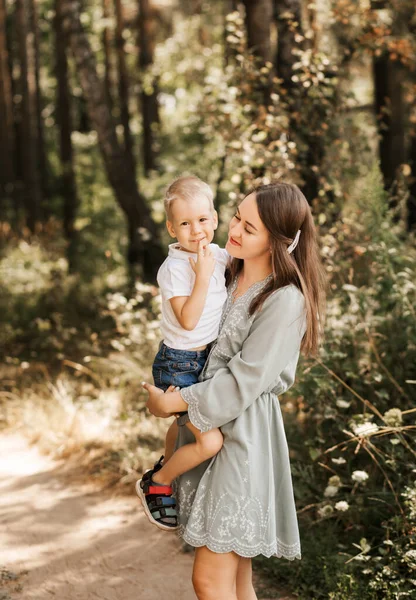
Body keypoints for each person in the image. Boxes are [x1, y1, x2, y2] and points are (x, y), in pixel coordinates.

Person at [142, 182, 326, 600]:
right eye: (237, 216)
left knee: (209, 580)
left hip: (244, 436)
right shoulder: (227, 272)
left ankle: (156, 478)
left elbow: (247, 379)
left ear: (281, 241)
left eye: (251, 227)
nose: (236, 229)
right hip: (210, 426)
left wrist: (175, 401)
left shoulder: (285, 299)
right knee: (237, 580)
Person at [136, 175, 229, 531]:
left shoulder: (218, 255)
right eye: (186, 223)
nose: (197, 230)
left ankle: (166, 464)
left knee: (181, 428)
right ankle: (157, 483)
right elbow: (188, 321)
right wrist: (202, 277)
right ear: (172, 228)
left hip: (206, 360)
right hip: (179, 363)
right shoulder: (174, 269)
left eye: (203, 220)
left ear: (215, 219)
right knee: (210, 441)